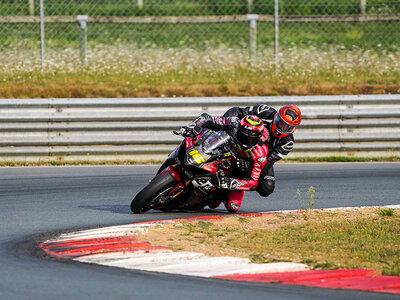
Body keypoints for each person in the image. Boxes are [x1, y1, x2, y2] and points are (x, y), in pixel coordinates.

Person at [180, 113, 269, 213]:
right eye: (244, 136)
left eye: (251, 139)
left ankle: (214, 195)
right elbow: (207, 118)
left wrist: (231, 183)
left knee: (230, 206)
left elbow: (253, 183)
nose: (247, 141)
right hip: (220, 149)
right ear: (239, 128)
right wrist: (194, 126)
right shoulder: (234, 122)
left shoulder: (260, 155)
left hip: (234, 173)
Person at [222, 104, 302, 198]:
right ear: (276, 117)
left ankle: (237, 186)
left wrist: (248, 166)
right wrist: (225, 125)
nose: (282, 128)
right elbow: (237, 111)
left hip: (258, 158)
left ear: (293, 129)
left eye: (288, 127)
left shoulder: (287, 143)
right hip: (240, 140)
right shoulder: (264, 111)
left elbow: (267, 162)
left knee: (267, 187)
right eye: (281, 122)